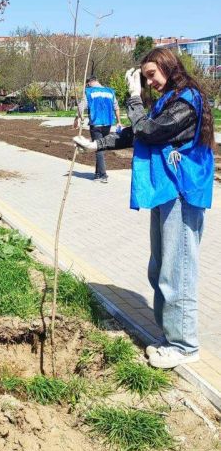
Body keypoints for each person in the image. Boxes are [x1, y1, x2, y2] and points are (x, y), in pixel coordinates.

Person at [74, 48, 215, 369]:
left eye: (152, 75)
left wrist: (134, 98)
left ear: (169, 67)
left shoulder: (187, 101)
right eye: (145, 77)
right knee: (160, 268)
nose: (149, 82)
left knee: (177, 271)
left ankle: (185, 345)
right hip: (166, 190)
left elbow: (148, 131)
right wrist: (97, 144)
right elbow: (138, 131)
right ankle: (171, 337)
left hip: (182, 193)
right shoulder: (169, 100)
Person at [74, 76, 122, 183]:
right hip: (107, 124)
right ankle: (97, 174)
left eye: (87, 84)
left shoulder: (89, 92)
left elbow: (81, 107)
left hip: (96, 124)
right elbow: (116, 107)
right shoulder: (110, 91)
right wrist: (119, 121)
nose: (87, 86)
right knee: (100, 147)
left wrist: (77, 118)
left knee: (99, 149)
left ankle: (103, 175)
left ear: (90, 82)